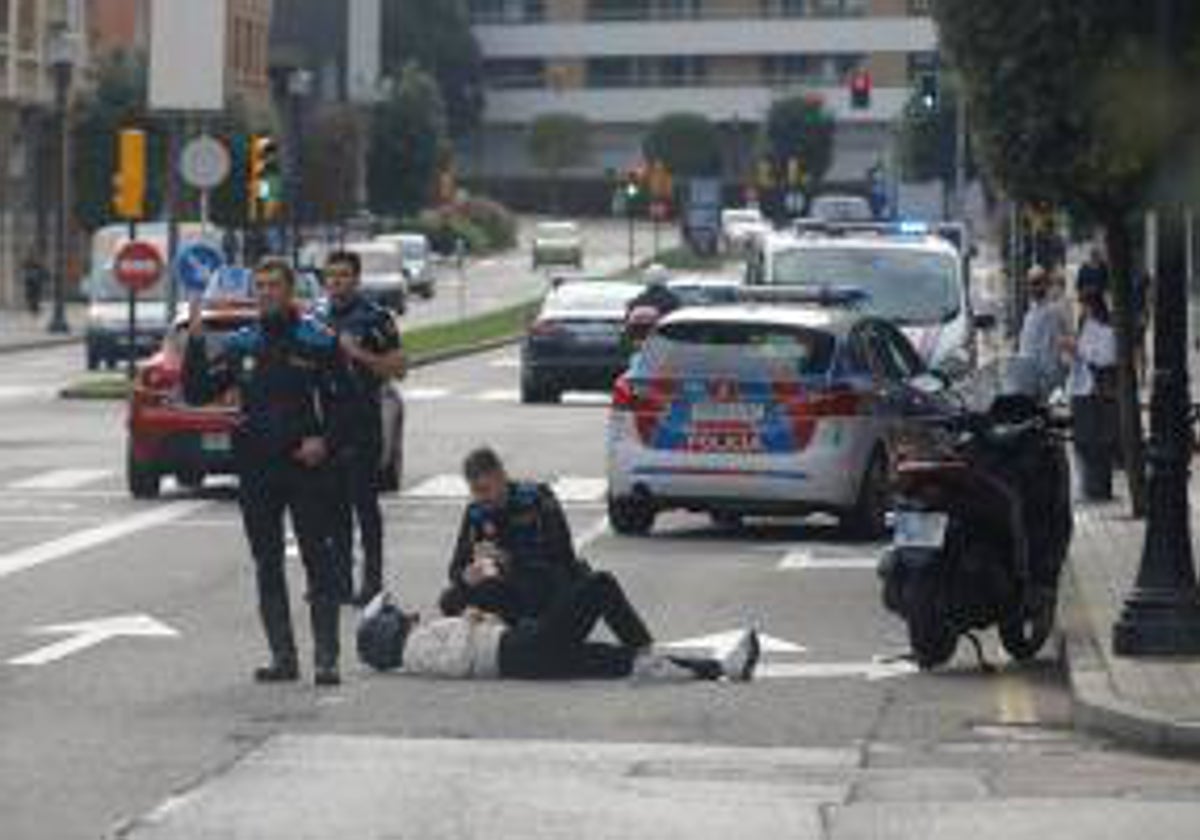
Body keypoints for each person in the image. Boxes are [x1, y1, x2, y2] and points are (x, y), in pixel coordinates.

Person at [182, 259, 353, 686]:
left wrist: (326, 442)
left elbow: (349, 405)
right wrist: (197, 339)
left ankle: (327, 658)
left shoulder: (317, 339)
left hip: (306, 467)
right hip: (257, 467)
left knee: (319, 559)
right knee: (266, 561)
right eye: (260, 286)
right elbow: (198, 391)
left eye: (274, 285)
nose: (267, 293)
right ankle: (283, 657)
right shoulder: (243, 343)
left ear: (290, 289)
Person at [359, 570, 761, 683]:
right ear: (385, 633)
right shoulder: (414, 651)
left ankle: (723, 668)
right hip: (521, 651)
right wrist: (469, 620)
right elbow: (457, 663)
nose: (402, 613)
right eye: (390, 614)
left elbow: (468, 648)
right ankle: (651, 649)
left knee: (622, 662)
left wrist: (486, 620)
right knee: (599, 585)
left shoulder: (415, 643)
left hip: (522, 651)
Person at [315, 250, 407, 606]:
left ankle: (372, 580)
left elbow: (399, 367)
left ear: (356, 279)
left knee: (363, 504)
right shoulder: (316, 316)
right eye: (331, 276)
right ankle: (339, 579)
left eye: (343, 276)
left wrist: (360, 355)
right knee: (331, 506)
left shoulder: (375, 318)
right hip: (325, 421)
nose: (336, 282)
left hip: (361, 419)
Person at [440, 447, 590, 625]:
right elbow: (456, 565)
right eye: (474, 491)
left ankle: (522, 630)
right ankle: (498, 633)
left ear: (501, 477)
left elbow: (563, 554)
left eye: (485, 489)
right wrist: (466, 576)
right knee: (450, 599)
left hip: (540, 579)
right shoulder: (475, 511)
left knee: (532, 588)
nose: (481, 497)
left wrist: (510, 560)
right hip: (501, 585)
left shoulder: (537, 498)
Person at [1063, 290, 1118, 500]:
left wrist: (1077, 350)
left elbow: (1105, 359)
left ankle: (1096, 488)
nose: (1082, 310)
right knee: (1082, 441)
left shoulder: (1106, 330)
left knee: (1093, 441)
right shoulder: (1085, 327)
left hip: (1093, 392)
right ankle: (1087, 485)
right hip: (1080, 389)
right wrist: (1072, 353)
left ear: (1093, 307)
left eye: (1084, 305)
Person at [1018, 266, 1069, 394]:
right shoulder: (1030, 313)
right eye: (1030, 284)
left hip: (1045, 379)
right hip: (1029, 376)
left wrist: (1046, 379)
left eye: (1036, 283)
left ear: (1045, 284)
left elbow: (1053, 347)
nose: (1033, 288)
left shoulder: (1053, 311)